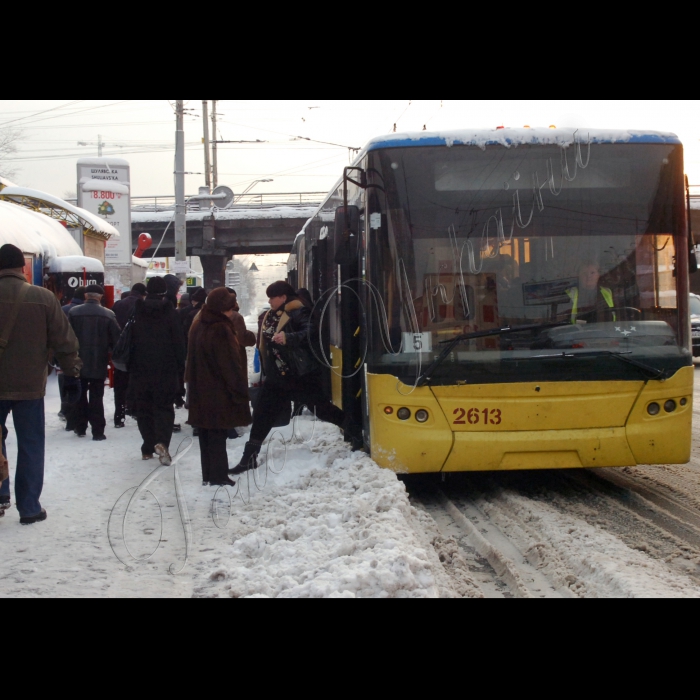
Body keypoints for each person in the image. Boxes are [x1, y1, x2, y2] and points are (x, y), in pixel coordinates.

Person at [230, 281, 359, 476]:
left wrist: (289, 338)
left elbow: (310, 332)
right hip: (278, 376)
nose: (269, 300)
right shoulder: (273, 315)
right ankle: (248, 458)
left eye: (272, 297)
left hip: (300, 375)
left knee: (322, 409)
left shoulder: (299, 311)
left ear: (283, 297)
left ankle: (355, 433)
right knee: (262, 415)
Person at [0, 244, 82, 525]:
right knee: (31, 444)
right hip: (29, 385)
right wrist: (72, 368)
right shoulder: (44, 298)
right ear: (22, 268)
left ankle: (0, 494)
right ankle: (29, 507)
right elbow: (64, 339)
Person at [187, 288, 251, 486]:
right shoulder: (221, 328)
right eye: (230, 308)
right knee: (217, 434)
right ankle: (219, 475)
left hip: (200, 388)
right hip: (218, 390)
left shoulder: (199, 323)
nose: (232, 312)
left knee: (206, 433)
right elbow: (229, 365)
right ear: (224, 308)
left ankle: (209, 474)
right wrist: (239, 391)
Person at [128, 277, 186, 464]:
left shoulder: (136, 311)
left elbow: (129, 340)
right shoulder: (171, 313)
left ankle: (147, 447)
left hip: (140, 369)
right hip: (165, 369)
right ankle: (162, 443)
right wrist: (180, 367)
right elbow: (179, 344)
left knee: (144, 408)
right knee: (164, 408)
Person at [68, 285, 121, 441]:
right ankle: (98, 431)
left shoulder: (73, 313)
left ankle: (80, 426)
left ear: (86, 296)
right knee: (97, 396)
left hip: (78, 360)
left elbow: (67, 337)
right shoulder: (108, 315)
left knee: (81, 394)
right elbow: (116, 339)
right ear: (100, 297)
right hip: (99, 360)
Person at [111, 283, 147, 428]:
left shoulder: (118, 305)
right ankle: (134, 409)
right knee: (137, 382)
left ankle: (118, 415)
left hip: (120, 350)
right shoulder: (142, 306)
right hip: (137, 351)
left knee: (119, 383)